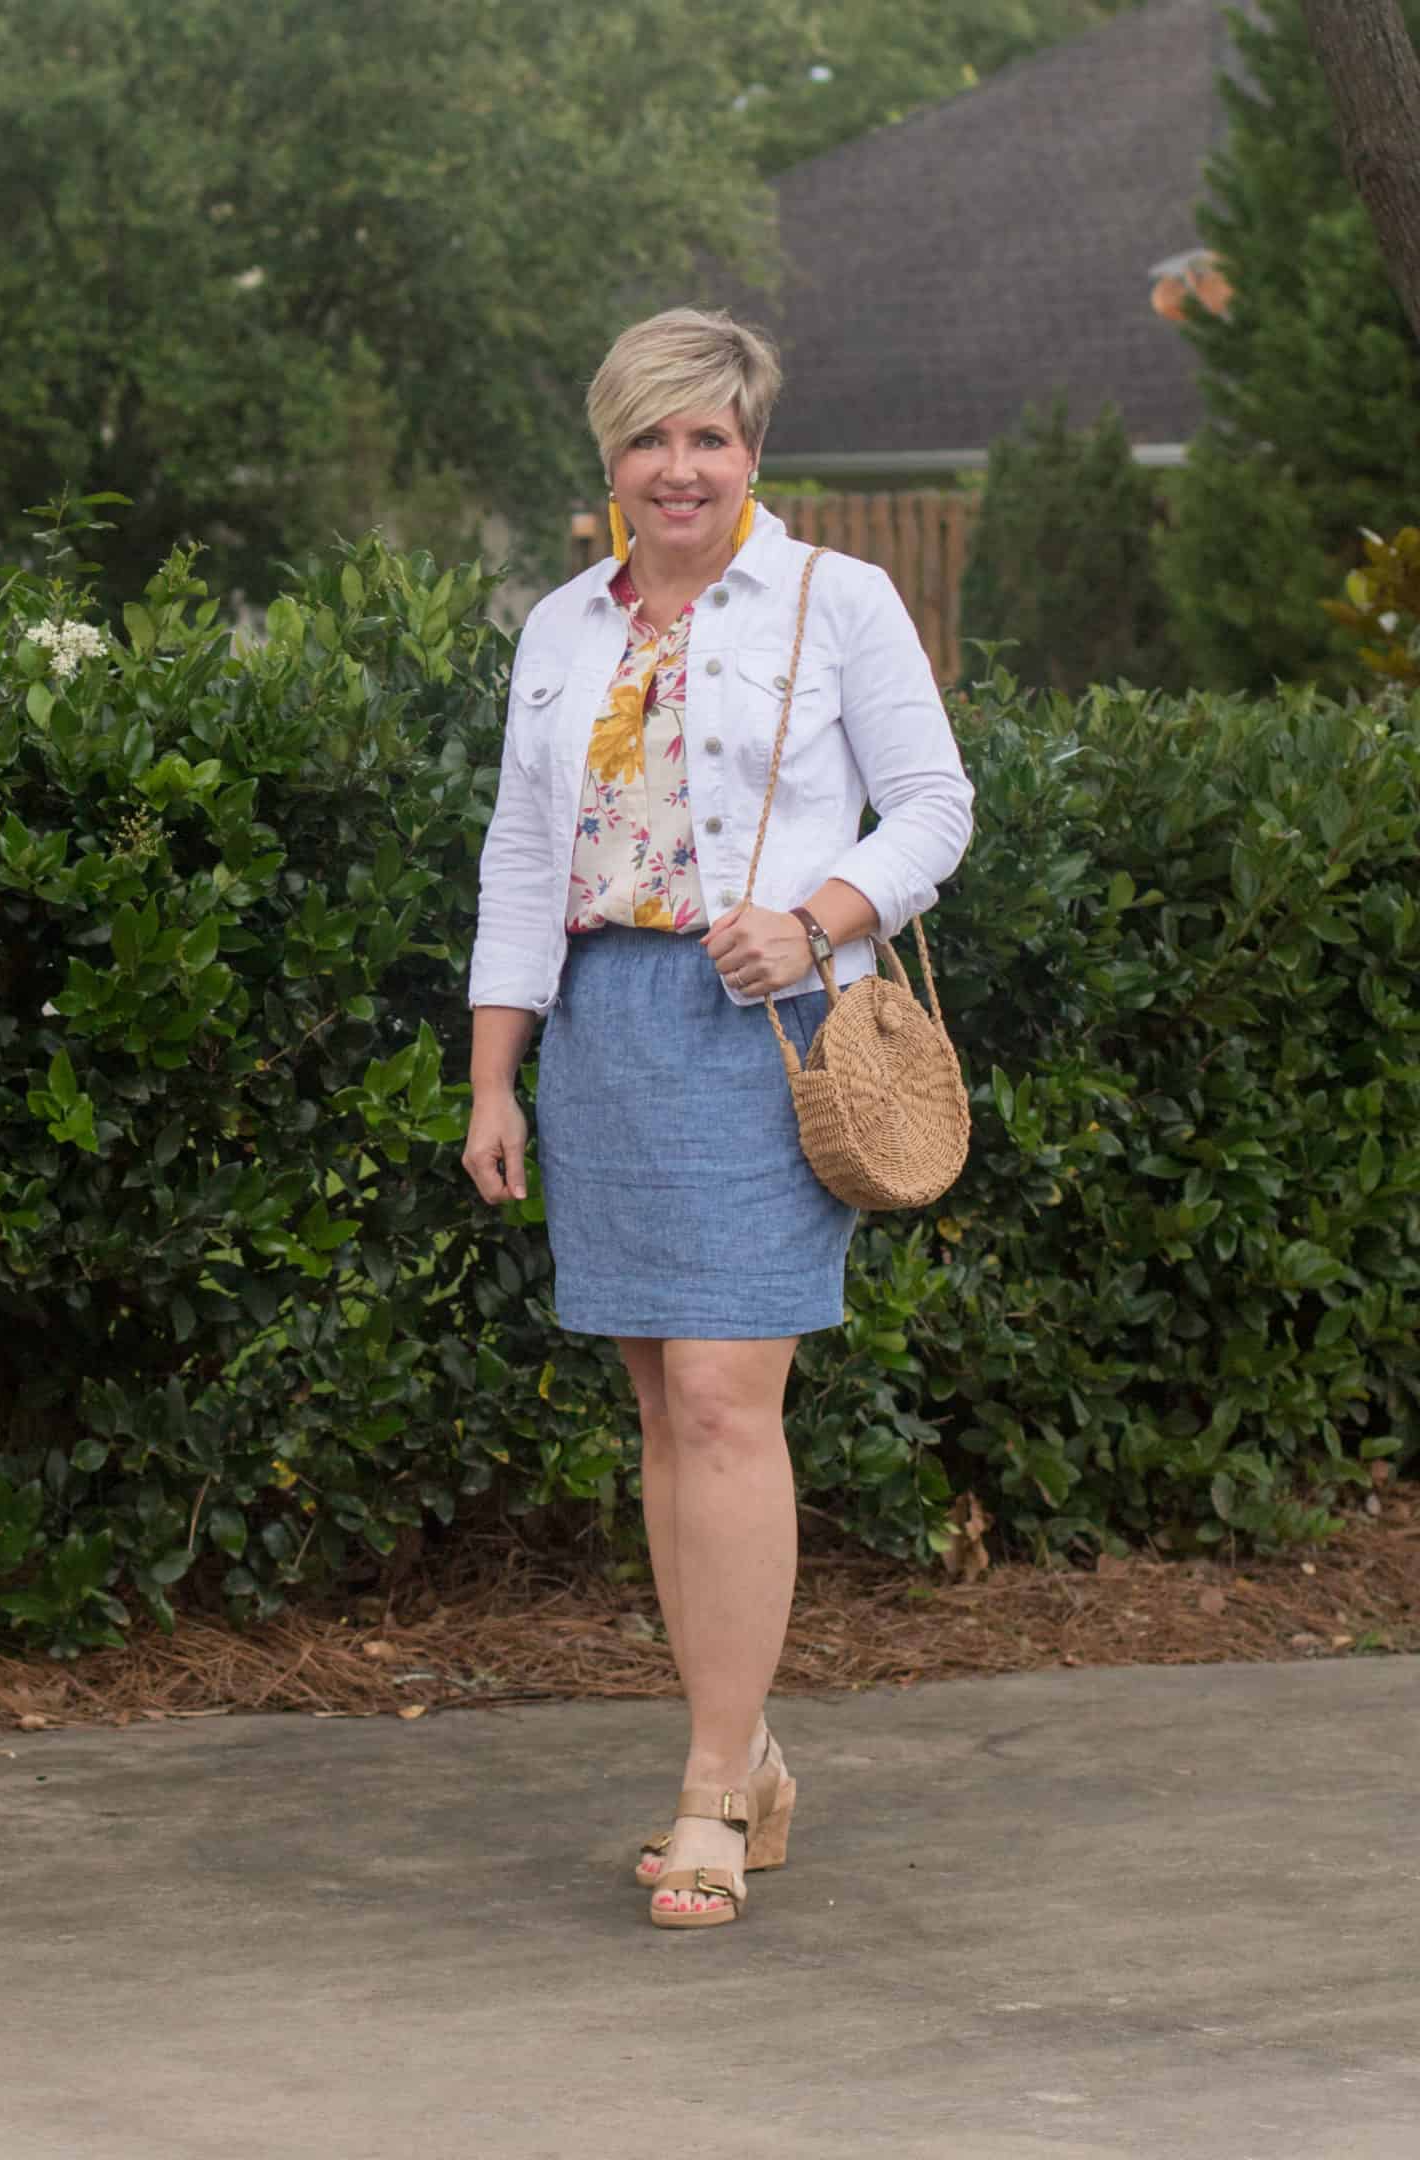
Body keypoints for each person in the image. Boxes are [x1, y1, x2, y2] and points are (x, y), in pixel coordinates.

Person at [462, 307, 974, 1932]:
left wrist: (820, 917)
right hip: (605, 1030)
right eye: (649, 439)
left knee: (726, 1400)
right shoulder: (557, 626)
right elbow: (525, 861)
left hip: (768, 1031)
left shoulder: (839, 599)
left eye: (710, 438)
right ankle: (744, 1750)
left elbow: (938, 806)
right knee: (661, 1413)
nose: (679, 468)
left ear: (754, 451)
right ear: (610, 457)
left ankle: (704, 1794)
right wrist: (494, 1069)